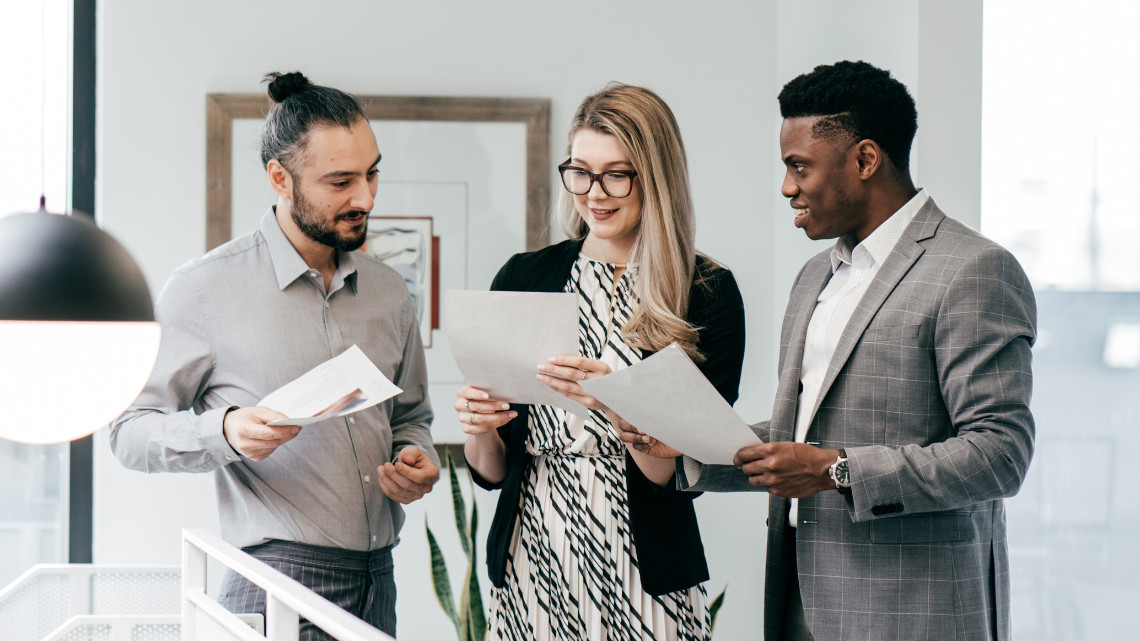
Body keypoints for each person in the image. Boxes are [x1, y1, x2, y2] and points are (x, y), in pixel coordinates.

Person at [645, 60, 1036, 641]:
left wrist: (837, 470)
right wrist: (690, 448)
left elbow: (999, 453)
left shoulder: (974, 270)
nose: (787, 187)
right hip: (800, 597)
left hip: (914, 611)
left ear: (865, 159)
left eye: (798, 166)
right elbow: (795, 436)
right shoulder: (813, 277)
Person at [109, 71, 439, 639]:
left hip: (378, 581)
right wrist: (228, 431)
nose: (365, 197)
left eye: (372, 173)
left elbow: (409, 416)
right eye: (341, 182)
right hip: (275, 583)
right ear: (280, 178)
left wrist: (415, 455)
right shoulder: (203, 289)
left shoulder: (388, 290)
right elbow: (128, 431)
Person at [457, 83, 746, 641]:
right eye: (581, 171)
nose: (595, 193)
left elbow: (687, 468)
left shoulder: (705, 291)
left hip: (646, 560)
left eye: (617, 173)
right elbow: (491, 472)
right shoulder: (524, 277)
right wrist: (480, 428)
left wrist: (620, 401)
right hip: (531, 549)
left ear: (655, 177)